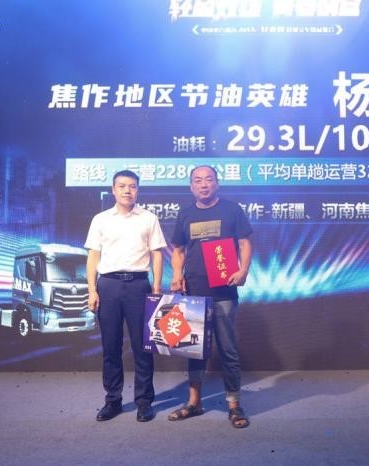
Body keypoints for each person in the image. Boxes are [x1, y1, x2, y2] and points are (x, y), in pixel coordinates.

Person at [168, 165, 253, 428]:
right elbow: (178, 250)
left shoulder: (232, 210)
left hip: (224, 291)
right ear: (191, 186)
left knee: (228, 350)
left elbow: (245, 243)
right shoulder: (185, 213)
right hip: (193, 293)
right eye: (198, 180)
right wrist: (177, 274)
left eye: (208, 180)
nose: (203, 184)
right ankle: (194, 403)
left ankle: (234, 406)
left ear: (217, 183)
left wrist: (243, 270)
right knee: (194, 351)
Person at [85, 169, 166, 423]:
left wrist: (156, 287)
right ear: (113, 190)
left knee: (143, 347)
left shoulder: (149, 218)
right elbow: (93, 256)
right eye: (122, 186)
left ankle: (144, 402)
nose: (127, 190)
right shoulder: (100, 219)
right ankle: (113, 400)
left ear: (138, 190)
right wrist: (91, 289)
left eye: (132, 186)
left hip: (139, 285)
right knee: (111, 346)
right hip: (108, 285)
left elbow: (157, 254)